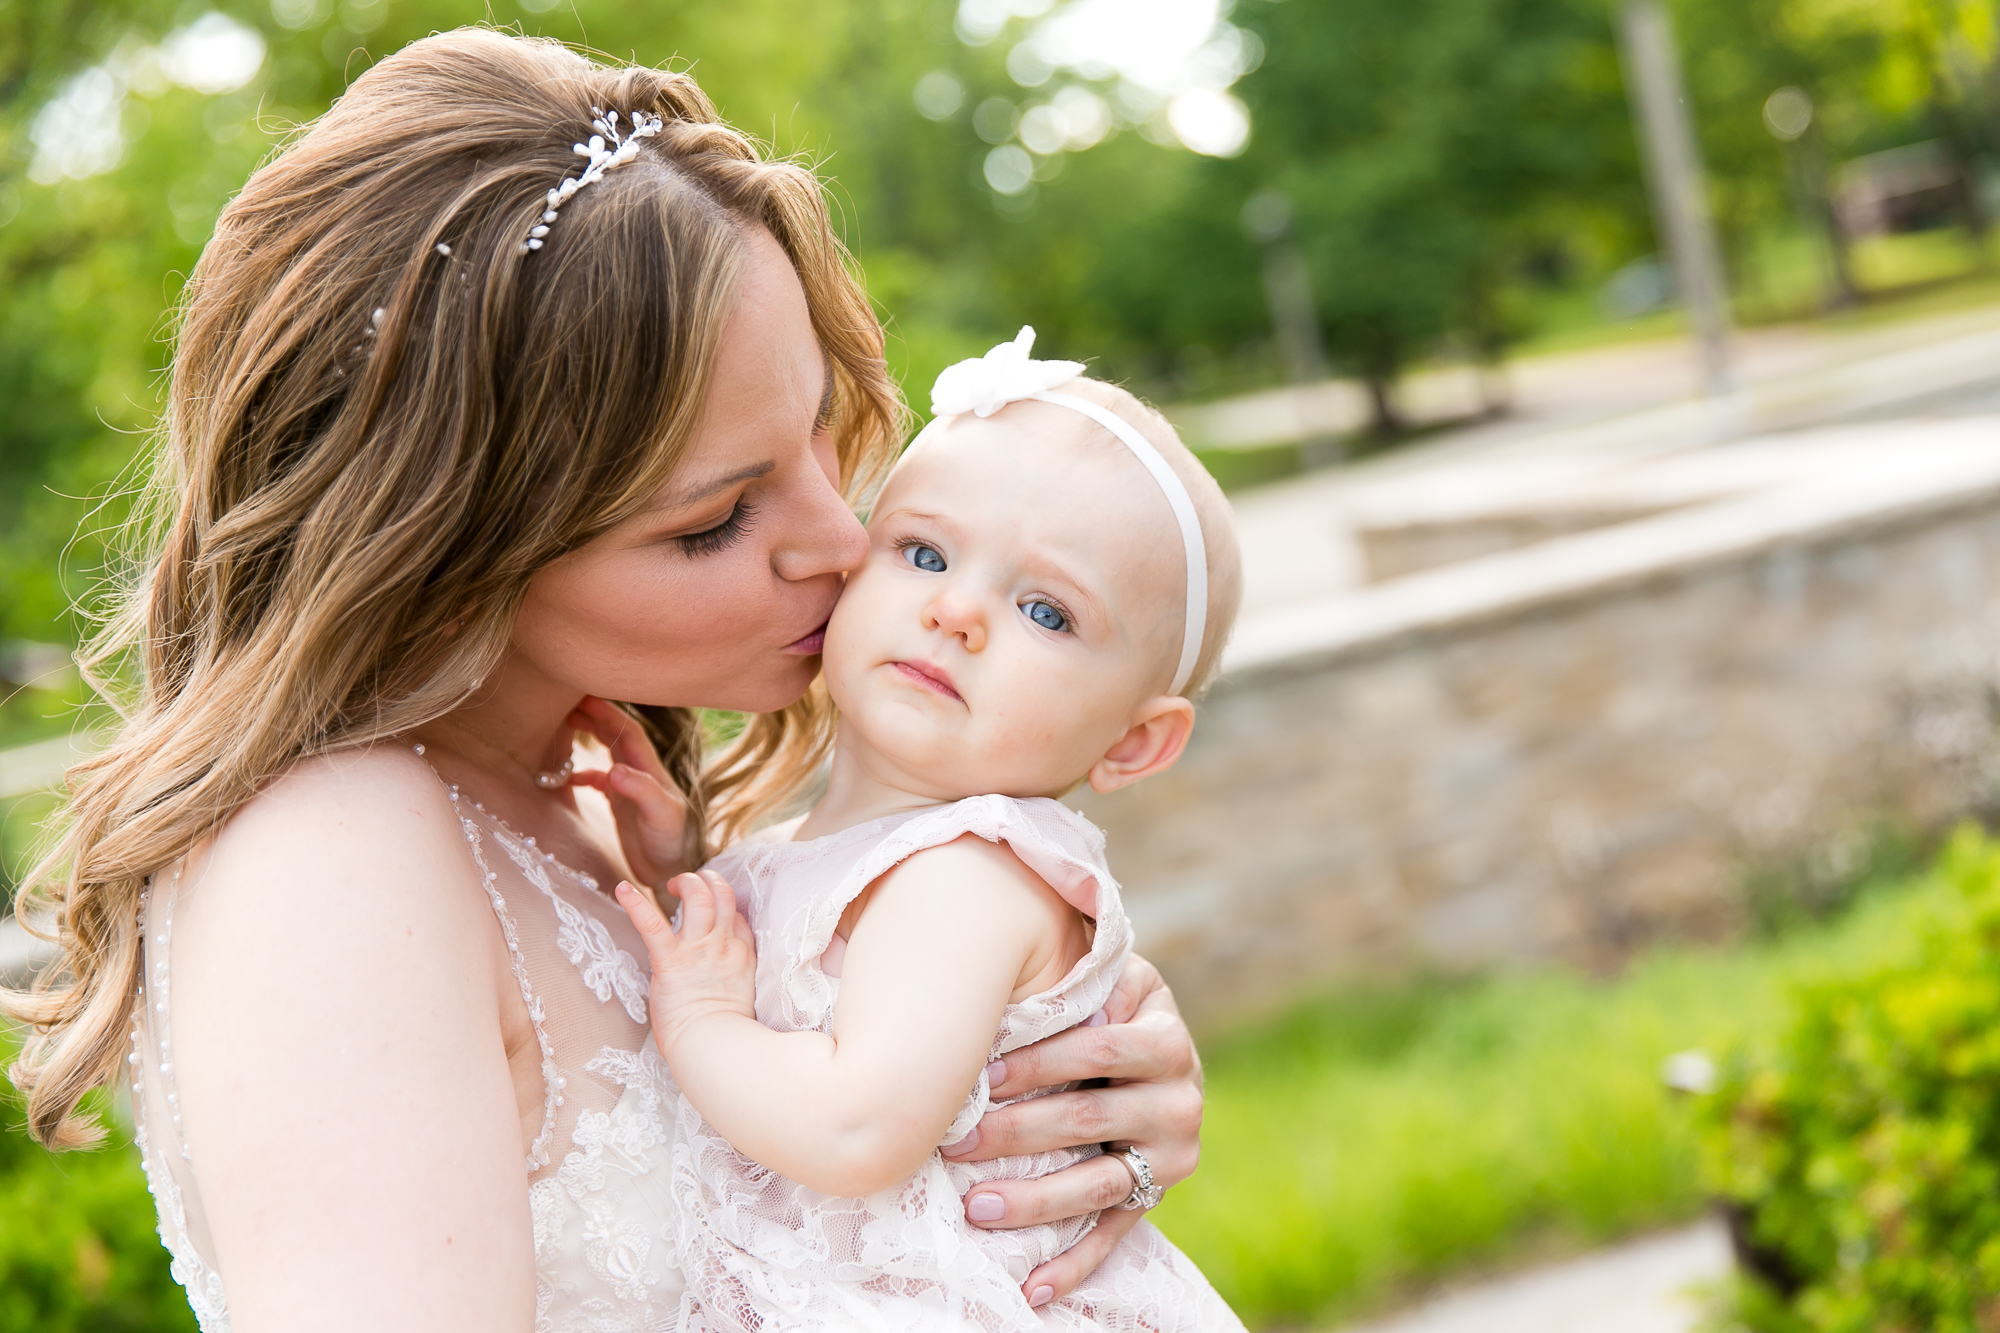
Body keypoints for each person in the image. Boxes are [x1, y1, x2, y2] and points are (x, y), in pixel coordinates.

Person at [1, 31, 1206, 1332]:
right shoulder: (331, 855)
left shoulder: (585, 807)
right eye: (715, 520)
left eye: (816, 428)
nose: (844, 541)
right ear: (452, 550)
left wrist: (1052, 1074)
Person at [608, 333, 1246, 1330]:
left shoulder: (966, 876)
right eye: (923, 551)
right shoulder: (819, 854)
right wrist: (677, 874)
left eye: (1044, 610)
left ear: (1133, 741)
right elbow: (787, 980)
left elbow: (855, 1127)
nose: (954, 610)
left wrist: (700, 1020)